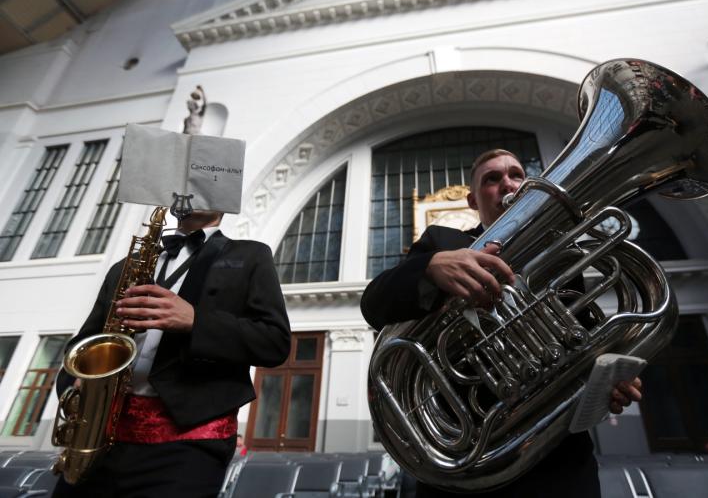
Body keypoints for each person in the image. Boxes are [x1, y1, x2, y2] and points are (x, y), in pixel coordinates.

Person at [361, 149, 642, 497]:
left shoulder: (562, 255)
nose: (507, 184)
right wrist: (431, 266)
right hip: (464, 458)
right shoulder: (443, 243)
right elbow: (374, 304)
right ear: (473, 200)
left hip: (559, 463)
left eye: (515, 174)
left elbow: (583, 345)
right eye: (491, 179)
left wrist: (606, 381)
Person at [53, 209, 291, 498]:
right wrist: (78, 387)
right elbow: (82, 344)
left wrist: (196, 320)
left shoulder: (251, 255)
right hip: (101, 436)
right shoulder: (123, 267)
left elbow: (275, 342)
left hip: (188, 445)